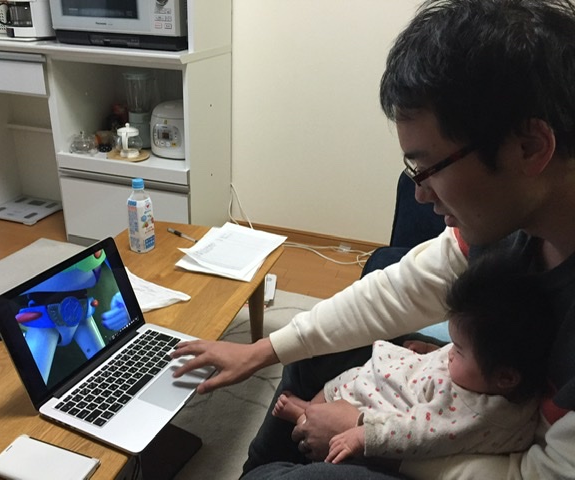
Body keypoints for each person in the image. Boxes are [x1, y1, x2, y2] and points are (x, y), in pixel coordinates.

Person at [171, 0, 575, 478]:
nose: (420, 193)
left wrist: (371, 436)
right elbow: (399, 290)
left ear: (530, 148)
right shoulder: (508, 229)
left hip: (494, 457)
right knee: (314, 350)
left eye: (430, 167)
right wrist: (262, 350)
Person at [271, 252, 553, 467]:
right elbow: (467, 352)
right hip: (404, 375)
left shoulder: (479, 417)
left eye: (457, 350)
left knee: (340, 398)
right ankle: (310, 409)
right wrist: (431, 349)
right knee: (339, 374)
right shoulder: (490, 371)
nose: (450, 352)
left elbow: (415, 434)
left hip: (387, 411)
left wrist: (362, 435)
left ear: (506, 378)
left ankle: (304, 415)